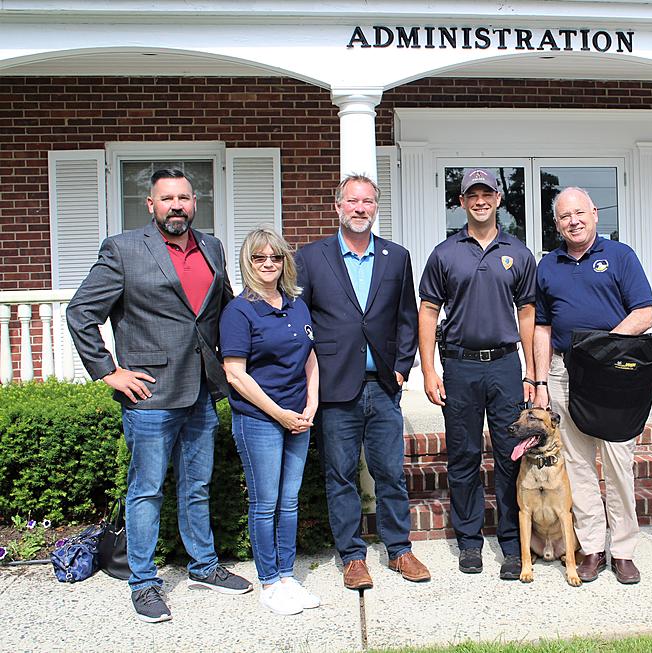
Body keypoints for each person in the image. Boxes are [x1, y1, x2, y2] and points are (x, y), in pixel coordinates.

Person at [66, 169, 252, 623]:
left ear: (195, 203)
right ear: (150, 205)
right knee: (146, 490)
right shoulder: (124, 249)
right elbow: (80, 313)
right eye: (166, 198)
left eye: (184, 197)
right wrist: (108, 372)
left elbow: (223, 309)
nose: (176, 205)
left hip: (203, 391)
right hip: (150, 394)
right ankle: (143, 582)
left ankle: (204, 566)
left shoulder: (212, 247)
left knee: (198, 485)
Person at [295, 174, 429, 591]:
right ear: (338, 206)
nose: (359, 208)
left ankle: (399, 550)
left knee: (391, 472)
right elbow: (301, 320)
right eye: (352, 201)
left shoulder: (396, 257)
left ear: (375, 208)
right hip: (335, 388)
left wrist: (403, 367)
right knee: (341, 476)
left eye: (367, 202)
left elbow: (407, 317)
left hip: (383, 385)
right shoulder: (311, 257)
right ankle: (352, 556)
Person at [418, 168, 537, 580]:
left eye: (487, 193)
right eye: (473, 194)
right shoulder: (445, 253)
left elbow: (527, 313)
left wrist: (532, 373)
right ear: (462, 202)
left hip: (506, 365)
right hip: (460, 365)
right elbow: (429, 311)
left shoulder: (518, 253)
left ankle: (510, 542)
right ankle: (469, 541)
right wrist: (429, 369)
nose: (480, 200)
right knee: (464, 455)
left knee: (510, 455)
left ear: (499, 199)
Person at [532, 187, 652, 585]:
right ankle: (592, 548)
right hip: (565, 374)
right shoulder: (548, 265)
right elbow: (542, 326)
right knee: (579, 465)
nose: (574, 221)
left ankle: (623, 550)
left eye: (580, 213)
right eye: (565, 216)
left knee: (619, 465)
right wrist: (539, 381)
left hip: (615, 375)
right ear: (557, 224)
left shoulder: (620, 256)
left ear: (595, 214)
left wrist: (602, 347)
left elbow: (645, 313)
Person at [220, 227, 319, 615]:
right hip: (260, 420)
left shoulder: (296, 303)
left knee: (289, 502)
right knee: (266, 503)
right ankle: (270, 582)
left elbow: (310, 356)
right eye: (259, 257)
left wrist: (312, 403)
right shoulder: (239, 311)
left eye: (275, 258)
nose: (268, 264)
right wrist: (279, 414)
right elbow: (235, 374)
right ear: (248, 262)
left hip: (298, 416)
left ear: (284, 262)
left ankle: (287, 576)